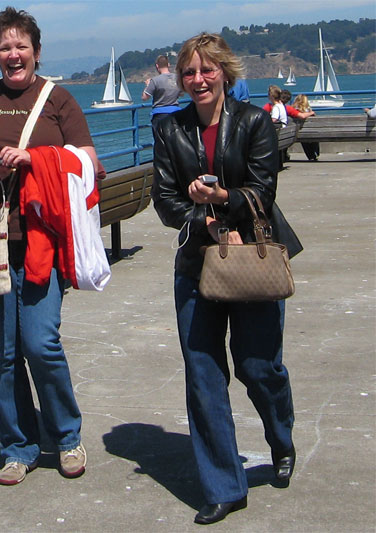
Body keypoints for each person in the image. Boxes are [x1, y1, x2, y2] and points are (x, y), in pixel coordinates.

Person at [0, 6, 98, 486]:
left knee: (40, 342)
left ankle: (67, 437)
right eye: (5, 47)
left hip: (40, 238)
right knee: (5, 352)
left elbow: (89, 161)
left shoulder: (58, 99)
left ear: (36, 51)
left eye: (21, 46)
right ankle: (17, 446)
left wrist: (34, 158)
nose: (13, 55)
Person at [151, 33, 296, 524]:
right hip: (198, 263)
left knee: (259, 367)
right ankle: (223, 485)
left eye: (207, 70)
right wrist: (203, 219)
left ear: (225, 73)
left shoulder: (254, 122)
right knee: (203, 374)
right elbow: (165, 200)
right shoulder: (169, 129)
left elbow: (263, 190)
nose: (198, 80)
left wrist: (221, 200)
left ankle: (280, 436)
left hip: (252, 257)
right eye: (189, 72)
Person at [141, 55, 181, 130]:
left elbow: (144, 97)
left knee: (160, 136)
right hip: (175, 113)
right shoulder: (177, 78)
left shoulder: (155, 80)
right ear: (168, 64)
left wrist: (147, 85)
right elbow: (181, 94)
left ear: (157, 66)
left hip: (160, 114)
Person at [292, 94, 320, 161]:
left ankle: (310, 156)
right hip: (311, 132)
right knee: (313, 138)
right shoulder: (309, 111)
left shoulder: (293, 110)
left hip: (296, 132)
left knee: (304, 140)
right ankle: (315, 154)